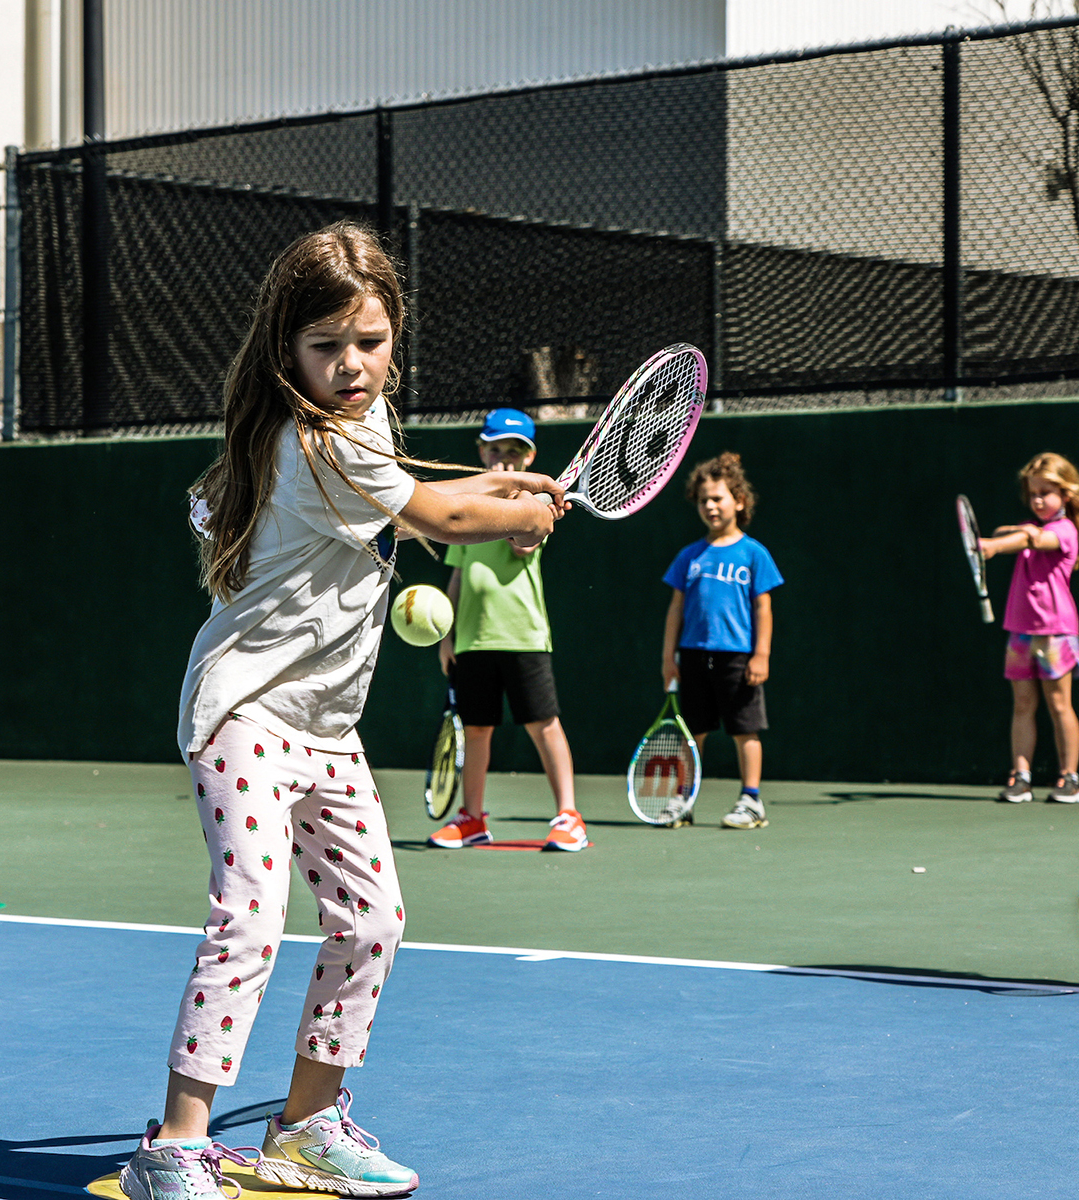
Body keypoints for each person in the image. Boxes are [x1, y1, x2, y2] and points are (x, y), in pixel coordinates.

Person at [121, 221, 558, 1200]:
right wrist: (519, 513)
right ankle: (175, 1146)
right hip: (245, 714)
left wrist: (500, 485)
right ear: (288, 350)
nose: (351, 364)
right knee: (251, 917)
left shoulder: (364, 425)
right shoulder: (309, 440)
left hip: (324, 728)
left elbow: (420, 493)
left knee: (373, 921)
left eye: (370, 340)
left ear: (396, 334)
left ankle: (306, 1126)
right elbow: (440, 516)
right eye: (326, 346)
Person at [429, 408, 585, 853]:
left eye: (514, 451)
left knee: (543, 724)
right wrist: (448, 636)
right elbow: (458, 576)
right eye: (495, 449)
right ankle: (472, 818)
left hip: (522, 637)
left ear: (529, 458)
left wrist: (521, 505)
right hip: (472, 640)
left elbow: (524, 545)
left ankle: (569, 816)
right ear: (481, 451)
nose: (504, 458)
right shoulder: (468, 509)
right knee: (477, 729)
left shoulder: (533, 507)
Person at [659, 452, 782, 830]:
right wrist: (668, 658)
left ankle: (751, 800)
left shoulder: (754, 553)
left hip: (737, 659)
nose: (710, 506)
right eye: (703, 500)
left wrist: (761, 655)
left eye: (717, 498)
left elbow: (763, 608)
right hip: (694, 657)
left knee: (745, 730)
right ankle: (683, 799)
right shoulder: (689, 556)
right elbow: (676, 609)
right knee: (692, 733)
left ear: (739, 501)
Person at [979, 453, 1079, 804]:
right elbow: (1010, 533)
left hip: (1055, 633)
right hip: (1020, 632)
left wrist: (994, 546)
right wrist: (1005, 536)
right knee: (1022, 705)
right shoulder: (1029, 527)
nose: (1038, 500)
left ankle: (1069, 779)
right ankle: (1021, 777)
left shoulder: (1064, 530)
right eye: (1032, 494)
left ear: (1066, 495)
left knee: (1059, 705)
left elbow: (1033, 541)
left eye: (1046, 493)